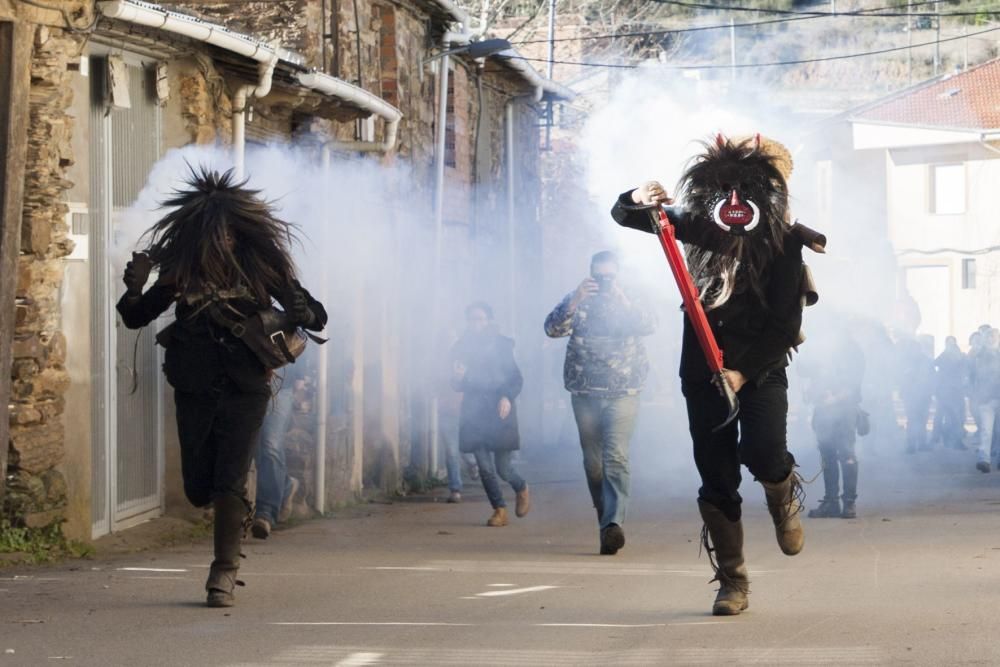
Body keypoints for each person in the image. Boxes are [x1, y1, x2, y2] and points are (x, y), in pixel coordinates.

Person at [611, 135, 809, 616]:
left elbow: (786, 325)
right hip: (702, 373)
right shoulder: (700, 228)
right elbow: (626, 215)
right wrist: (638, 198)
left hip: (760, 370)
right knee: (716, 479)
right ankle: (733, 582)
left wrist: (743, 372)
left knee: (763, 454)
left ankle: (782, 494)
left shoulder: (785, 246)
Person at [117, 168, 327, 607]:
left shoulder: (261, 267)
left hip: (246, 386)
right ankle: (226, 520)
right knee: (199, 486)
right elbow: (136, 316)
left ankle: (223, 573)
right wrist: (134, 289)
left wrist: (301, 311)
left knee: (230, 480)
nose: (222, 242)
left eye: (228, 234)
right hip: (192, 384)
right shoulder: (179, 271)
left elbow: (317, 317)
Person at [544, 251, 655, 555]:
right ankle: (605, 522)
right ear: (591, 273)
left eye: (610, 276)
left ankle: (613, 525)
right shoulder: (578, 298)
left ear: (618, 275)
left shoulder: (630, 298)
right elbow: (552, 329)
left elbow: (649, 324)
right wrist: (576, 299)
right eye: (600, 275)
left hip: (623, 391)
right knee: (594, 466)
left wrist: (623, 299)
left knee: (616, 458)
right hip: (585, 392)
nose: (605, 281)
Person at [451, 302, 530, 526]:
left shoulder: (502, 345)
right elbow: (455, 382)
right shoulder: (460, 348)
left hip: (498, 410)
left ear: (489, 321)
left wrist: (506, 396)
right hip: (474, 413)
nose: (477, 324)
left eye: (481, 319)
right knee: (484, 467)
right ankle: (499, 509)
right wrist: (456, 378)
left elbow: (516, 379)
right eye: (472, 319)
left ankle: (521, 487)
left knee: (503, 469)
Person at [803, 328, 865, 519]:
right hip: (823, 409)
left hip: (845, 410)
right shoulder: (822, 349)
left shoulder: (852, 351)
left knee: (846, 454)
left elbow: (854, 384)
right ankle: (831, 502)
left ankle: (849, 503)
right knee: (827, 455)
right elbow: (804, 369)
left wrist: (835, 398)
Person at [250, 366, 305, 540]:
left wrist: (300, 376)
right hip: (246, 382)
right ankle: (286, 485)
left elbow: (299, 339)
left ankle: (265, 513)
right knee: (255, 449)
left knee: (271, 445)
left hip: (280, 384)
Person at [969, 327, 1000, 473]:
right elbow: (972, 375)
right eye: (989, 336)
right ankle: (984, 460)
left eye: (994, 336)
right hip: (986, 398)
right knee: (986, 431)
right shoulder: (979, 354)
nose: (991, 339)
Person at [932, 336, 968, 451]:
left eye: (952, 343)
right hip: (944, 391)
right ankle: (938, 437)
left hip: (956, 391)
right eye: (948, 343)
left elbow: (965, 370)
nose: (950, 345)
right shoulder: (944, 355)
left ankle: (956, 440)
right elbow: (935, 363)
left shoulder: (960, 356)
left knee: (957, 417)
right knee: (941, 415)